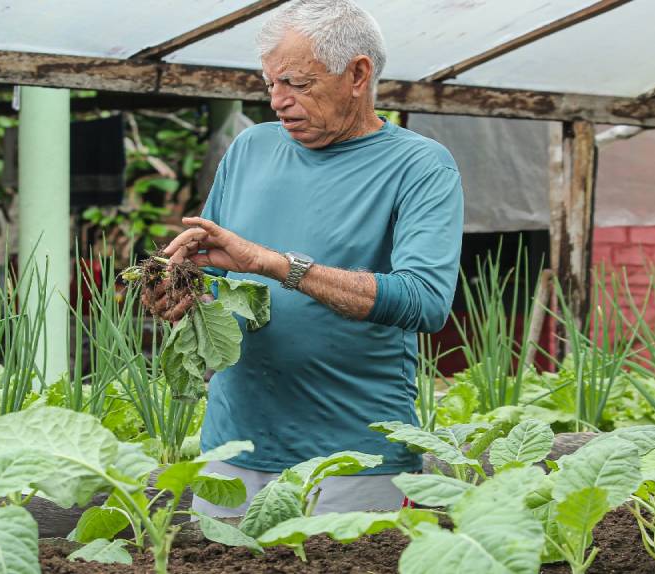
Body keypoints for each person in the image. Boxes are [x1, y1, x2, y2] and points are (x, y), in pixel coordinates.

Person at [149, 0, 464, 515]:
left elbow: (425, 302)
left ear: (358, 74)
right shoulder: (251, 148)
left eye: (297, 83)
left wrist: (278, 265)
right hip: (231, 447)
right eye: (270, 83)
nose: (277, 101)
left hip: (352, 459)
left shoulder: (419, 165)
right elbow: (217, 268)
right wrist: (182, 288)